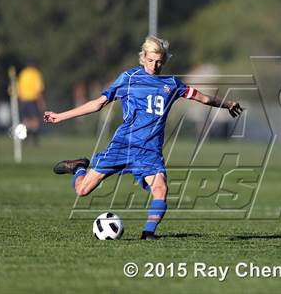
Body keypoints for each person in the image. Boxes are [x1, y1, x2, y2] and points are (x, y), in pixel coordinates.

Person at [43, 36, 243, 240]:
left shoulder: (172, 84)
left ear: (163, 61)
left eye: (159, 61)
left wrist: (227, 105)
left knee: (161, 188)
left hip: (150, 151)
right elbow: (97, 104)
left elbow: (204, 98)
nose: (154, 65)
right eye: (150, 60)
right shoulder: (128, 78)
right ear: (143, 57)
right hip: (123, 145)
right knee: (82, 190)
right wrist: (61, 116)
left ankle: (148, 233)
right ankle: (78, 167)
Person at [18, 60, 46, 145]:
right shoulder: (35, 73)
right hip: (32, 99)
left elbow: (18, 88)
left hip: (23, 100)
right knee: (35, 120)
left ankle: (25, 138)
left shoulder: (22, 73)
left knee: (25, 120)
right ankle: (34, 140)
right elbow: (39, 89)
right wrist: (41, 101)